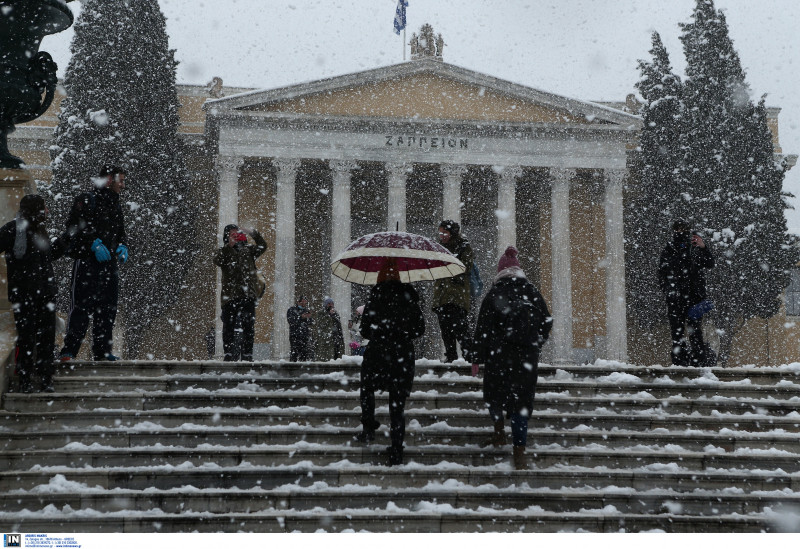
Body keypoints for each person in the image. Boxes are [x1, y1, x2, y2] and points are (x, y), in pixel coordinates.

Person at [472, 246, 552, 470]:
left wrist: (477, 356)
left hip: (499, 355)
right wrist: (536, 342)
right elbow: (547, 320)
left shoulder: (495, 293)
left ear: (500, 272)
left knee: (494, 396)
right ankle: (519, 452)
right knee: (521, 403)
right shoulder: (532, 291)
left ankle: (499, 434)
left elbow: (483, 329)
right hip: (526, 356)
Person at [355, 259, 425, 466]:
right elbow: (420, 329)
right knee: (397, 404)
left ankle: (368, 427)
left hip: (378, 352)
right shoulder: (409, 298)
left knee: (367, 387)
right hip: (401, 354)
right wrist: (402, 333)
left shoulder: (375, 297)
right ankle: (396, 449)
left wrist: (381, 332)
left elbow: (365, 330)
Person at [0, 195, 71, 392]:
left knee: (46, 339)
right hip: (24, 295)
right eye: (44, 208)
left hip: (45, 295)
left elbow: (48, 255)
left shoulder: (41, 231)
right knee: (27, 338)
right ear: (35, 209)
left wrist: (64, 241)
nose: (47, 211)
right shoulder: (13, 229)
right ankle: (25, 380)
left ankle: (45, 379)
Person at [60, 165, 129, 362]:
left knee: (107, 308)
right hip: (87, 262)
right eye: (120, 181)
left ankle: (102, 351)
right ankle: (69, 350)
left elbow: (120, 232)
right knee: (81, 307)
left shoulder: (115, 204)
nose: (123, 185)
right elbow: (73, 227)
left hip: (109, 264)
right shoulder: (86, 200)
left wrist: (122, 246)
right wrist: (92, 243)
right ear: (109, 180)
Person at [658, 219, 715, 366]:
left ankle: (698, 362)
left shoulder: (695, 248)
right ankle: (680, 362)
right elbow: (662, 272)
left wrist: (703, 247)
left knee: (695, 332)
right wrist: (669, 291)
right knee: (677, 333)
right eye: (677, 229)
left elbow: (710, 263)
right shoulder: (669, 249)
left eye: (683, 229)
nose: (680, 232)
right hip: (675, 299)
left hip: (694, 299)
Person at [213, 224, 267, 361]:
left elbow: (263, 246)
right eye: (232, 234)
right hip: (230, 296)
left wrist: (253, 232)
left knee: (248, 327)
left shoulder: (248, 250)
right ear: (227, 236)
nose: (235, 235)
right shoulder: (224, 251)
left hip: (247, 295)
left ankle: (247, 355)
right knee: (228, 328)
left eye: (236, 233)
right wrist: (229, 246)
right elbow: (217, 261)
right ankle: (229, 354)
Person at [432, 219, 474, 363]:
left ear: (452, 233)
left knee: (461, 329)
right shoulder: (439, 248)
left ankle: (469, 357)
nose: (441, 235)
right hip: (442, 296)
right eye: (440, 232)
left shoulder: (463, 247)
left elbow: (466, 267)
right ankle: (450, 357)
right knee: (446, 331)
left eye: (445, 232)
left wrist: (451, 260)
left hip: (456, 296)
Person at [314, 297, 345, 361]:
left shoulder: (335, 313)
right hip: (326, 339)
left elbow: (338, 325)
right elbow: (321, 324)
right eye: (329, 304)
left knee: (337, 357)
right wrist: (329, 315)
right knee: (327, 357)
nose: (331, 305)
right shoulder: (321, 313)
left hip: (336, 338)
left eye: (332, 303)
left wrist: (340, 336)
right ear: (325, 305)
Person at [287, 296, 313, 361]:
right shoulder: (292, 310)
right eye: (302, 302)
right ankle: (292, 368)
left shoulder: (306, 310)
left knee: (304, 354)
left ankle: (303, 369)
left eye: (305, 302)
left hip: (304, 336)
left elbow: (311, 322)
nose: (304, 304)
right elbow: (291, 321)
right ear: (298, 302)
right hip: (295, 335)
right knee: (294, 354)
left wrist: (308, 317)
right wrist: (301, 317)